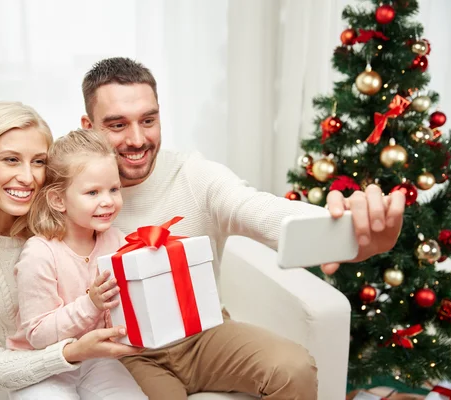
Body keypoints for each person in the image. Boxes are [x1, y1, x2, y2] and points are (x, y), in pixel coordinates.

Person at [79, 57, 406, 400]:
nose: (137, 139)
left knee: (292, 368)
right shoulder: (71, 187)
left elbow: (258, 209)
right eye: (117, 125)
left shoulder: (192, 174)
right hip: (126, 351)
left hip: (203, 335)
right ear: (88, 126)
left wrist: (350, 234)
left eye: (148, 120)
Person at [0, 102, 143, 395]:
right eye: (11, 160)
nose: (27, 177)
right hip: (12, 382)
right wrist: (70, 353)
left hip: (90, 364)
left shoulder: (60, 220)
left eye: (38, 162)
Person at [6, 129, 147, 399]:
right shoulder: (39, 253)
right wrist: (90, 304)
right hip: (41, 365)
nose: (107, 201)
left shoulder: (116, 241)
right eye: (92, 192)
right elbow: (38, 335)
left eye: (113, 189)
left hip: (96, 360)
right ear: (59, 200)